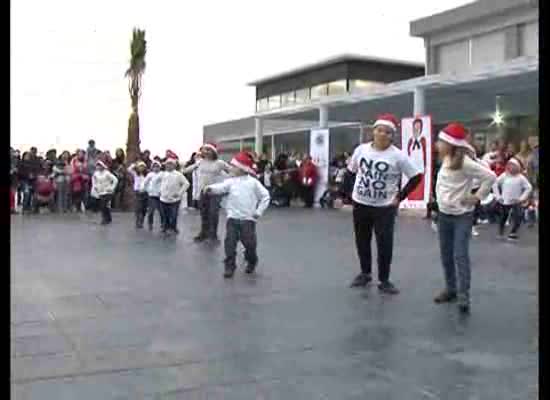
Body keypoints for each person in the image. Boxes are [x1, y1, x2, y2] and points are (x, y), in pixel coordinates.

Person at [347, 114, 423, 294]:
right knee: (362, 240)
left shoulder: (398, 156)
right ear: (373, 132)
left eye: (387, 132)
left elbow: (416, 177)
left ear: (391, 136)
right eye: (379, 130)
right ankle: (365, 273)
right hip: (361, 204)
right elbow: (351, 172)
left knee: (384, 243)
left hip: (385, 207)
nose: (382, 134)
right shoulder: (361, 150)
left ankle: (384, 279)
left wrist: (400, 197)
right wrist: (349, 193)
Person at [433, 123, 496, 314]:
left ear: (451, 144)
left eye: (440, 141)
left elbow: (490, 177)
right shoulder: (445, 159)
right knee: (446, 254)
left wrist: (476, 197)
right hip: (444, 215)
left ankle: (463, 295)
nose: (437, 144)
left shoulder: (465, 162)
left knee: (460, 255)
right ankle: (451, 289)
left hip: (462, 216)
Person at [204, 152, 270, 278]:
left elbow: (265, 196)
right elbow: (221, 187)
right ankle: (229, 266)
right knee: (230, 244)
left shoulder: (253, 183)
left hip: (248, 220)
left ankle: (251, 261)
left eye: (234, 166)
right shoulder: (231, 182)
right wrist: (210, 188)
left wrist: (258, 212)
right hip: (232, 219)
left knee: (250, 244)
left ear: (242, 168)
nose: (231, 168)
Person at [182, 143, 230, 243]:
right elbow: (187, 170)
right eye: (204, 149)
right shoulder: (200, 162)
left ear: (213, 152)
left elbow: (231, 171)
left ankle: (213, 235)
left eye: (209, 149)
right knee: (204, 213)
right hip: (203, 191)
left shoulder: (219, 163)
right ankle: (203, 233)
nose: (206, 151)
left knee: (213, 213)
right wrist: (179, 170)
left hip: (215, 191)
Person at [495, 158, 532, 241]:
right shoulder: (504, 175)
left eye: (513, 166)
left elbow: (529, 187)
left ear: (517, 167)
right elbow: (495, 184)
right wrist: (498, 197)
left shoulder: (521, 177)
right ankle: (501, 231)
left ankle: (513, 233)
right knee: (503, 217)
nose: (511, 167)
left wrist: (521, 198)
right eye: (509, 165)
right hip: (505, 201)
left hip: (516, 201)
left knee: (519, 216)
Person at [160, 158, 189, 236]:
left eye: (171, 164)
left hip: (174, 199)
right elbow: (156, 182)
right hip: (163, 198)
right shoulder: (162, 174)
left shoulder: (178, 174)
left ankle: (173, 227)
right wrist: (159, 191)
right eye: (167, 164)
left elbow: (186, 183)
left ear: (174, 165)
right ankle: (165, 227)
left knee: (173, 214)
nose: (169, 166)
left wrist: (179, 193)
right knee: (164, 214)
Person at [406, 118, 428, 201]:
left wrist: (425, 165)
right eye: (415, 127)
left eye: (419, 127)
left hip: (420, 164)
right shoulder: (410, 140)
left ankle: (420, 198)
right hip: (412, 164)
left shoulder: (423, 140)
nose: (417, 129)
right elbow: (408, 152)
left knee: (420, 182)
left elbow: (425, 152)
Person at [91, 160, 118, 225]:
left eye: (99, 166)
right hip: (100, 191)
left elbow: (115, 180)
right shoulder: (96, 173)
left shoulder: (107, 173)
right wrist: (95, 187)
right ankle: (108, 218)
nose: (98, 167)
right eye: (97, 166)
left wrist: (112, 188)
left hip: (107, 191)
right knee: (104, 206)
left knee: (103, 205)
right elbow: (93, 180)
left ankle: (104, 219)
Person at [144, 160, 165, 231]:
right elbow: (145, 183)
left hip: (160, 196)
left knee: (162, 211)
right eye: (154, 167)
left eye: (157, 167)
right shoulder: (150, 175)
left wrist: (162, 191)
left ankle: (163, 224)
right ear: (152, 168)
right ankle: (150, 223)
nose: (156, 168)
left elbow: (165, 183)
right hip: (152, 195)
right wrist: (147, 190)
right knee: (151, 211)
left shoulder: (162, 174)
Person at [128, 161, 149, 229]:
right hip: (137, 192)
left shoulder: (147, 175)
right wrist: (135, 164)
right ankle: (138, 222)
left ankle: (141, 220)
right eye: (140, 167)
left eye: (143, 167)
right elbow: (129, 169)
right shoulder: (136, 174)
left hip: (145, 192)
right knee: (138, 208)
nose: (141, 168)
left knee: (144, 209)